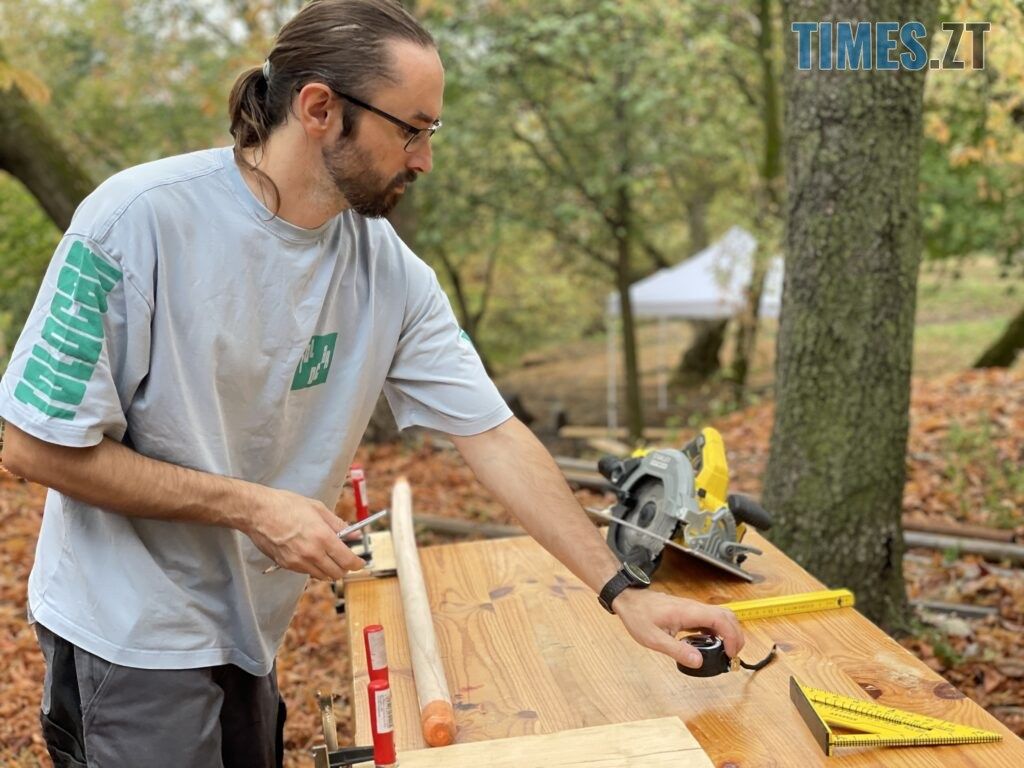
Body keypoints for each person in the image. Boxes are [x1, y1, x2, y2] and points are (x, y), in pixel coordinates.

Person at [0, 1, 744, 765]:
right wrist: (254, 508)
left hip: (248, 630)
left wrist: (623, 592)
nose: (424, 159)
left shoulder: (387, 270)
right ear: (319, 107)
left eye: (432, 133)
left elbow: (491, 435)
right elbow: (32, 447)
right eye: (410, 130)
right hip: (127, 635)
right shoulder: (137, 220)